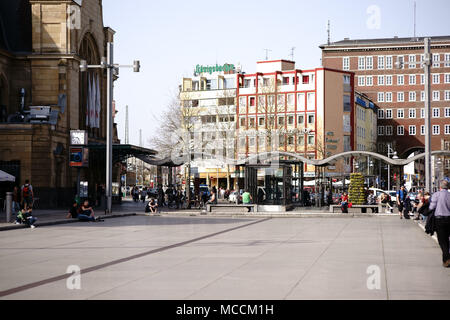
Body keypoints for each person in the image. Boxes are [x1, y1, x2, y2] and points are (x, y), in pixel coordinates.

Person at [428, 180, 450, 268]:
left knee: (442, 241)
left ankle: (447, 258)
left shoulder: (436, 194)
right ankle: (445, 260)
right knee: (447, 239)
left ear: (440, 187)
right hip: (449, 219)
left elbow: (431, 207)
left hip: (439, 219)